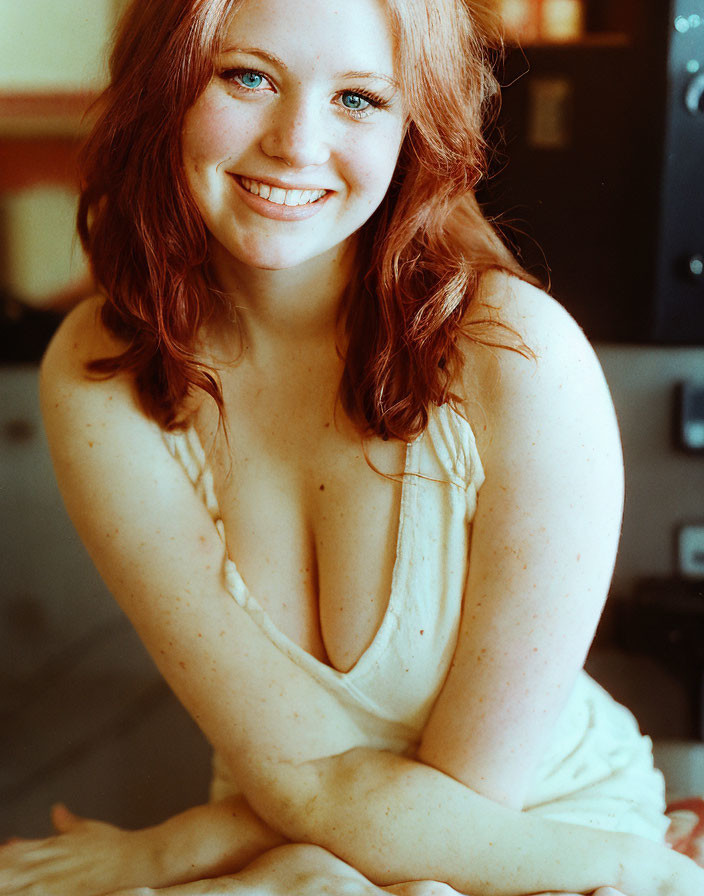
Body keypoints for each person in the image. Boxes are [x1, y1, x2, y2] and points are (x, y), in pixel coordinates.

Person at [1, 0, 702, 894]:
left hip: (536, 836)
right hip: (288, 844)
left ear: (417, 127)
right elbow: (298, 778)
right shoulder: (103, 372)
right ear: (164, 87)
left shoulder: (520, 359)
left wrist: (172, 853)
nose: (296, 143)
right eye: (246, 77)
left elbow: (458, 821)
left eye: (361, 99)